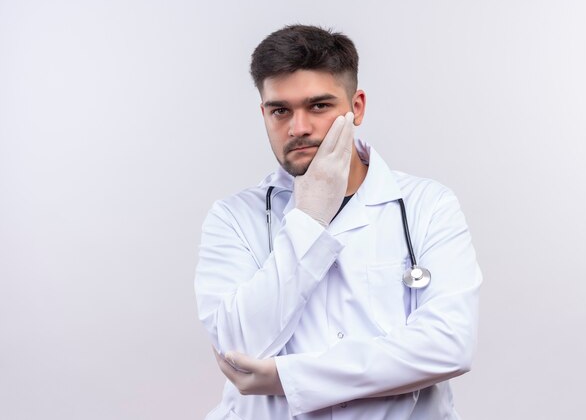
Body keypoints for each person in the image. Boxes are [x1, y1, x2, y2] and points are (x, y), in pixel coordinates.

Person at [195, 24, 482, 420]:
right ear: (264, 113)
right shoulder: (233, 218)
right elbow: (238, 347)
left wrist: (287, 377)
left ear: (357, 107)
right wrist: (309, 218)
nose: (299, 128)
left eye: (319, 106)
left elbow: (448, 345)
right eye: (281, 110)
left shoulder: (427, 205)